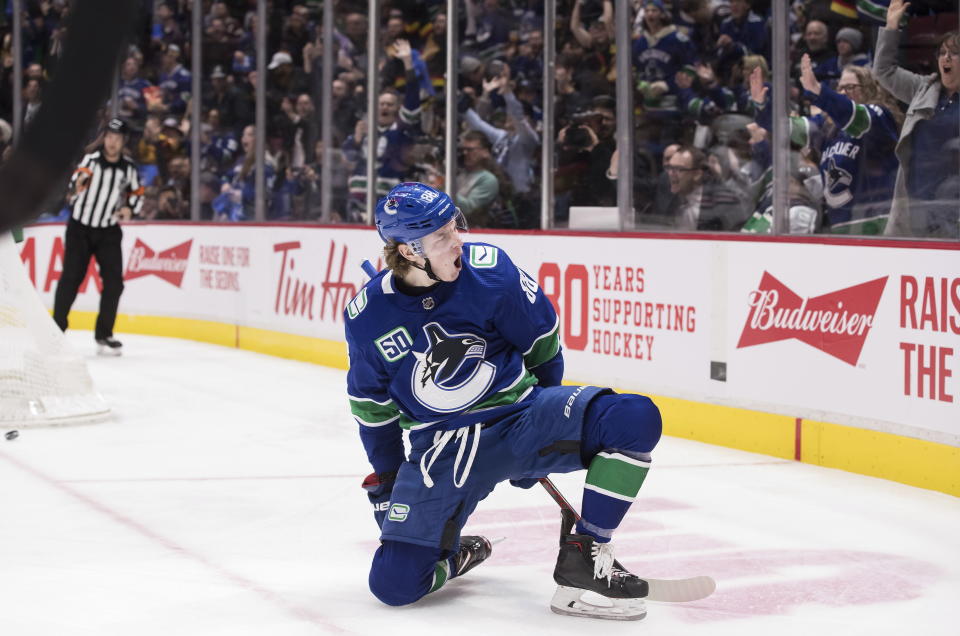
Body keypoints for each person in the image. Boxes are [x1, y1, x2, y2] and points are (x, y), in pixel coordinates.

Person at [346, 182, 663, 620]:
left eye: (454, 225)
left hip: (521, 419)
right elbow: (372, 410)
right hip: (441, 448)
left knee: (634, 417)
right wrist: (387, 479)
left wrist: (542, 439)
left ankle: (584, 555)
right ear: (409, 252)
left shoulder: (492, 271)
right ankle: (456, 556)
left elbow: (544, 350)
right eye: (441, 237)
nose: (457, 239)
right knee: (394, 585)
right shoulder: (367, 316)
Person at [53, 118, 143, 355]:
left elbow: (137, 192)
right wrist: (78, 186)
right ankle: (56, 330)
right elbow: (77, 180)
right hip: (80, 229)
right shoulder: (91, 161)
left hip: (108, 231)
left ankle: (104, 333)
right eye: (109, 137)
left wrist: (130, 209)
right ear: (104, 138)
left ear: (123, 142)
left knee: (115, 283)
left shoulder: (128, 167)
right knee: (71, 279)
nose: (112, 143)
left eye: (117, 139)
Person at [874, 0, 960, 238]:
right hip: (916, 201)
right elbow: (884, 71)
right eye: (942, 53)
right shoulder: (922, 89)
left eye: (954, 53)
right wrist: (892, 26)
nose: (946, 58)